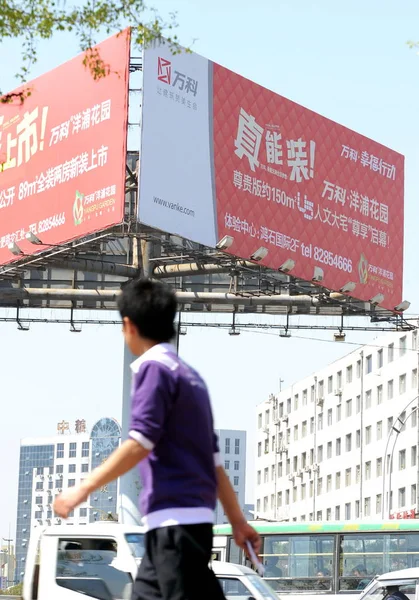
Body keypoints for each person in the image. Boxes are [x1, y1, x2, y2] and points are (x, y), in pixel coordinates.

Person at [53, 278, 261, 600]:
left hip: (175, 524)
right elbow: (215, 464)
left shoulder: (155, 369)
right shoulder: (191, 378)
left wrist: (82, 489)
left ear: (128, 325)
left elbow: (140, 442)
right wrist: (237, 521)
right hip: (180, 526)